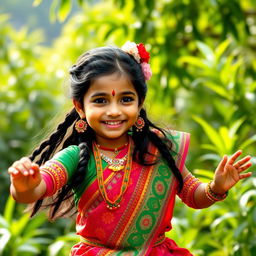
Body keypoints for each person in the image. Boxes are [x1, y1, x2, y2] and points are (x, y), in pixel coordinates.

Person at [8, 41, 252, 256]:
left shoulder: (159, 148)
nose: (114, 110)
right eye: (100, 100)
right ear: (80, 107)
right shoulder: (75, 156)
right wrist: (24, 185)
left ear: (140, 102)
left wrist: (215, 188)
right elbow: (38, 188)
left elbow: (191, 194)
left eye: (125, 99)